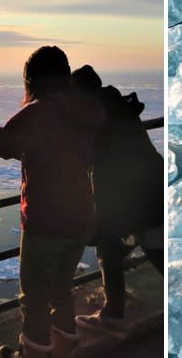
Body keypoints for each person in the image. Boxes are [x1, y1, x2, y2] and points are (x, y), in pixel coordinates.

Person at [0, 47, 104, 358]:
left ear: (32, 79)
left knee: (34, 295)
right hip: (80, 215)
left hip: (46, 219)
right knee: (61, 289)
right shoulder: (86, 110)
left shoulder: (38, 113)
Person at [70, 65, 163, 335]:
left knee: (118, 248)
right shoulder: (118, 107)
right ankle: (116, 306)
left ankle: (114, 311)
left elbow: (95, 166)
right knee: (124, 248)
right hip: (150, 190)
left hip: (135, 199)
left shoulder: (96, 118)